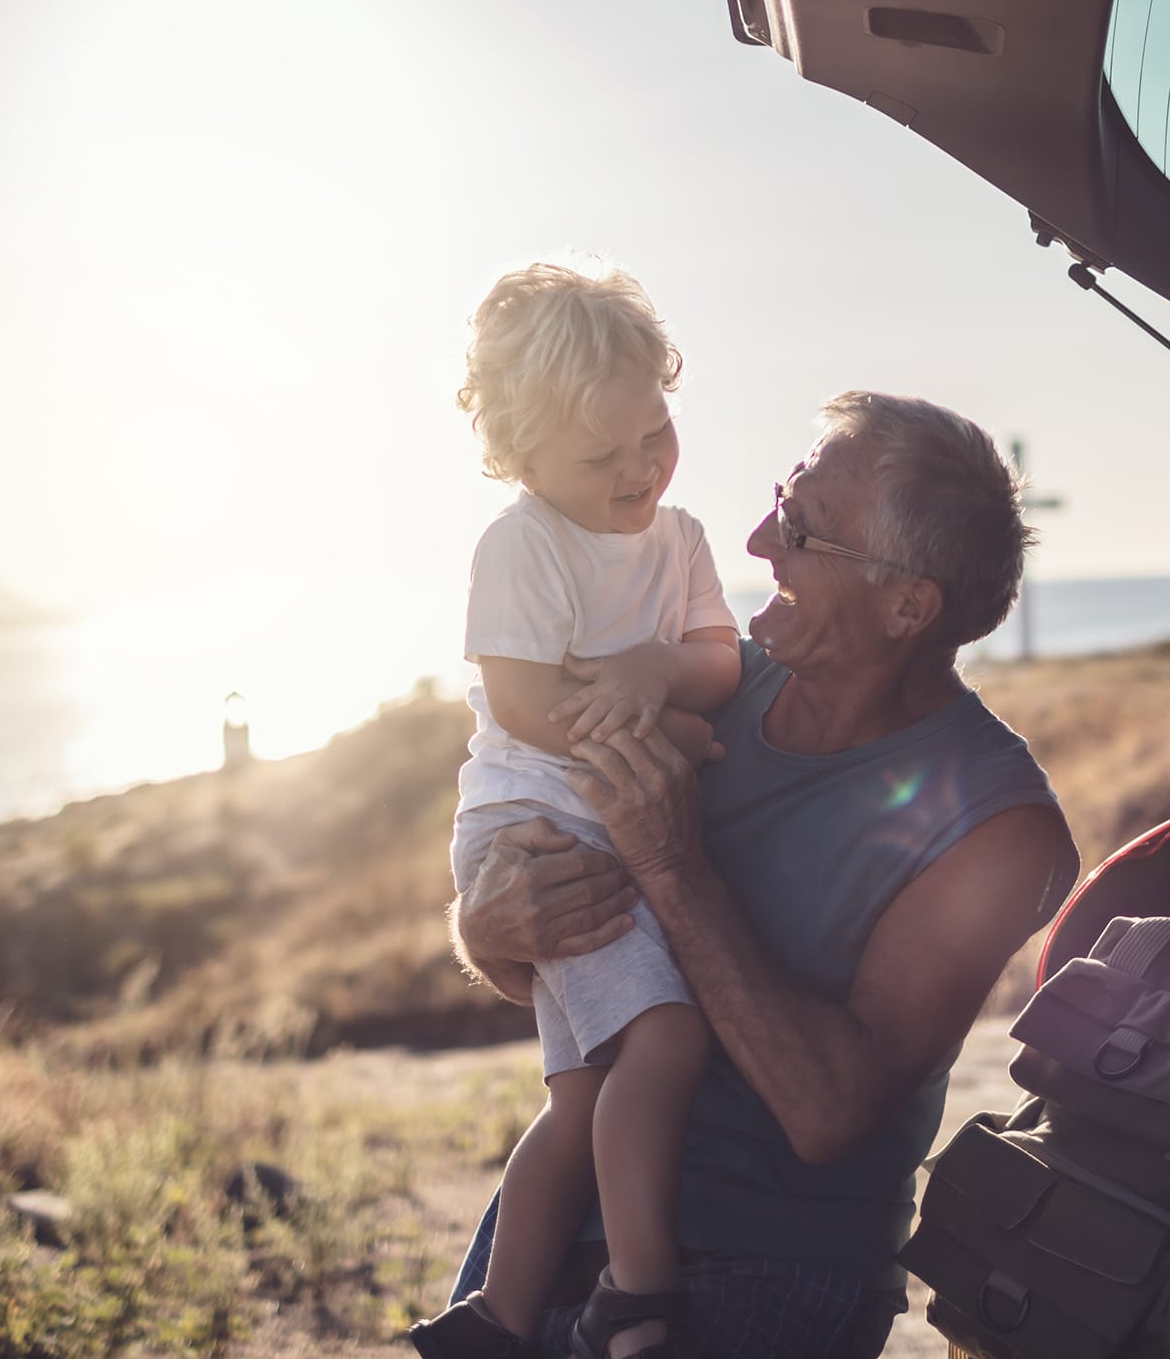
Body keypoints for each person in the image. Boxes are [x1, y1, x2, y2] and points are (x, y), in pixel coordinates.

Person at [448, 390, 1082, 1359]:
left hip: (761, 1275)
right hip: (541, 1242)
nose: (754, 541)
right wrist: (490, 929)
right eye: (778, 501)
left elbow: (830, 1110)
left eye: (801, 528)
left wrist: (671, 860)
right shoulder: (703, 681)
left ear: (907, 604)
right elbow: (579, 982)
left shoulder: (998, 824)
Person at [410, 264, 742, 1359]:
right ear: (524, 458)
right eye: (603, 458)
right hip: (533, 823)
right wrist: (665, 734)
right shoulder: (525, 544)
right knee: (667, 1032)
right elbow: (520, 701)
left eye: (655, 431)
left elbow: (717, 659)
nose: (640, 468)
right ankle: (638, 1292)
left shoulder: (682, 538)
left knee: (587, 1088)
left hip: (596, 806)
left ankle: (500, 1313)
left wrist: (660, 670)